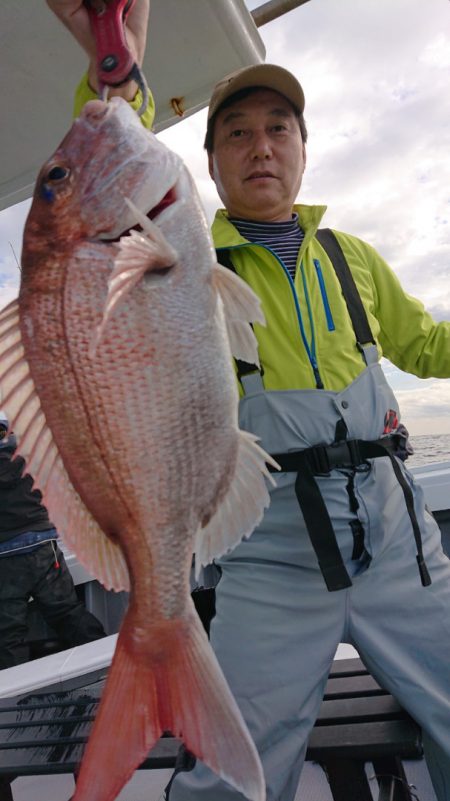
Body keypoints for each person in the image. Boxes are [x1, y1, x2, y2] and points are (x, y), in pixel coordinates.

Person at [47, 5, 450, 800]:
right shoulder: (179, 249)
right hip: (271, 560)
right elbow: (102, 172)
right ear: (206, 159)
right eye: (236, 132)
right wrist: (118, 67)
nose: (260, 146)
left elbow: (429, 346)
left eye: (279, 129)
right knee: (234, 772)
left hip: (401, 549)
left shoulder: (353, 257)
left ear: (303, 149)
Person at [0, 411, 106, 670]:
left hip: (6, 558)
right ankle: (104, 661)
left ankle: (14, 696)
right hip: (44, 548)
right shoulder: (31, 456)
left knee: (9, 633)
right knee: (67, 612)